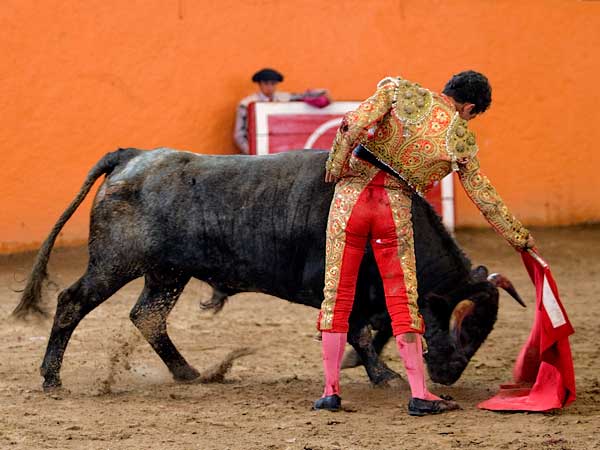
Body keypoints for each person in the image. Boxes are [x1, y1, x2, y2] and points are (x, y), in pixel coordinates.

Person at [315, 71, 535, 416]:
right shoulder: (460, 137)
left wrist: (336, 163)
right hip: (394, 208)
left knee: (337, 295)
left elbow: (352, 123)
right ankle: (419, 394)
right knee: (403, 301)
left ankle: (330, 392)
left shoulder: (398, 91)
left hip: (350, 199)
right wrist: (520, 238)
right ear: (470, 107)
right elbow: (483, 197)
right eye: (471, 114)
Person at [234, 68, 330, 154]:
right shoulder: (246, 104)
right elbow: (239, 135)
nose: (269, 87)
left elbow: (302, 96)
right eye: (266, 83)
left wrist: (321, 92)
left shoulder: (283, 98)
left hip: (279, 152)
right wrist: (252, 153)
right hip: (256, 153)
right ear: (259, 84)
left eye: (273, 84)